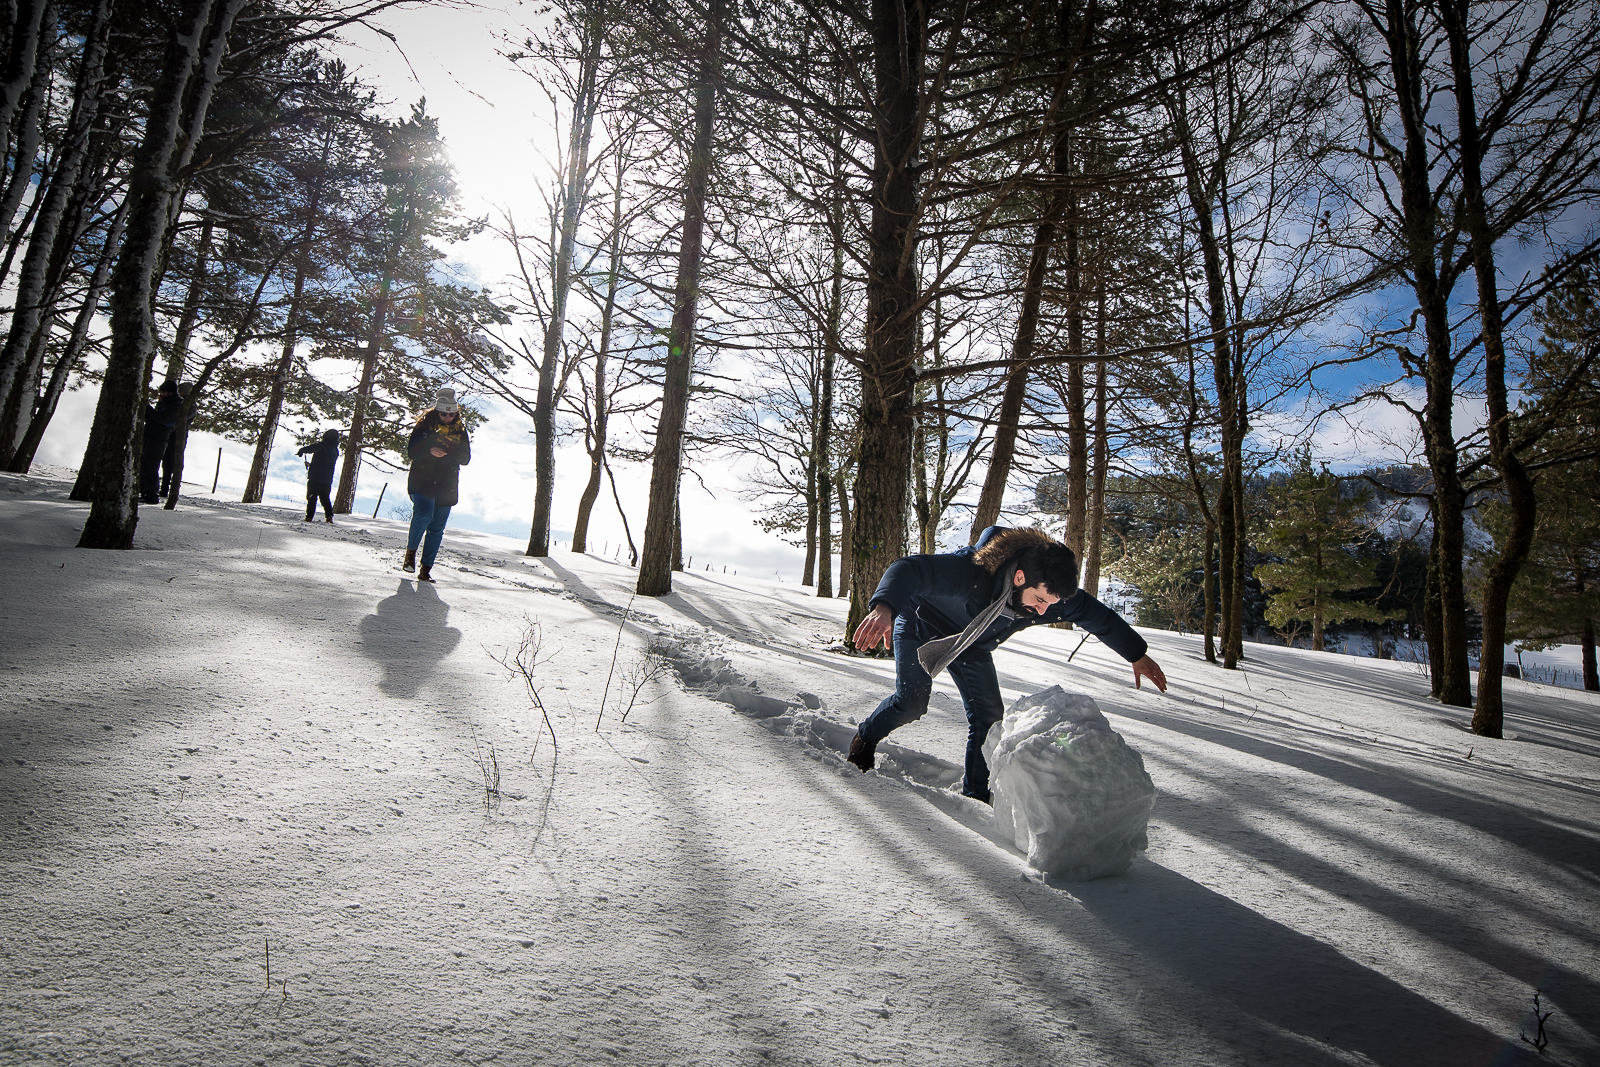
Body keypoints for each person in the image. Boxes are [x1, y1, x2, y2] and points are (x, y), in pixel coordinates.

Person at [848, 525, 1167, 804]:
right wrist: (886, 608)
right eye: (1040, 601)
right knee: (911, 702)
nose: (1043, 612)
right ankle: (865, 737)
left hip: (971, 641)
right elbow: (910, 569)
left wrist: (1136, 653)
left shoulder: (1050, 594)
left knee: (988, 718)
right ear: (1018, 577)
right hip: (921, 623)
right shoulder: (974, 571)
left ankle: (976, 796)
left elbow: (1096, 615)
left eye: (1051, 605)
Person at [402, 387, 470, 583]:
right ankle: (410, 555)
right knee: (424, 514)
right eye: (444, 414)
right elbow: (412, 452)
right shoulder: (423, 427)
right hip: (422, 480)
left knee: (437, 528)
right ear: (436, 412)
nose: (448, 417)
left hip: (446, 483)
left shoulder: (460, 432)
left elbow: (465, 459)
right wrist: (429, 450)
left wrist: (451, 449)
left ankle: (426, 569)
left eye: (451, 414)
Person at [140, 379, 181, 504]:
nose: (161, 395)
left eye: (163, 392)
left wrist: (148, 409)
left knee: (150, 467)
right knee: (144, 465)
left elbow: (163, 420)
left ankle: (152, 495)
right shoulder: (164, 403)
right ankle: (145, 492)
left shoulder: (176, 405)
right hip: (150, 436)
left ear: (171, 393)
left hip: (159, 439)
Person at [297, 429, 341, 523]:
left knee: (312, 497)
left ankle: (309, 517)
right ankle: (329, 517)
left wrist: (302, 451)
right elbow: (325, 463)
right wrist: (311, 465)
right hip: (327, 480)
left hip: (315, 478)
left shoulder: (322, 445)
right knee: (325, 499)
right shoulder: (335, 451)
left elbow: (312, 448)